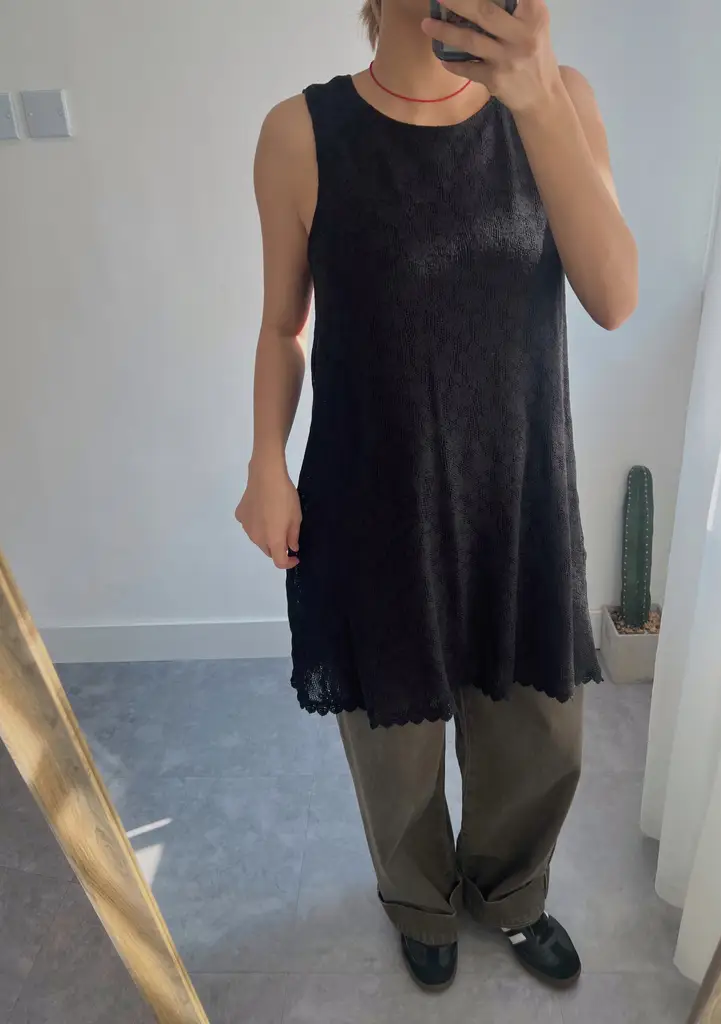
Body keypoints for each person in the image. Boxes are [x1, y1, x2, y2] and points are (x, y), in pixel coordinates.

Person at [236, 0, 638, 994]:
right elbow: (284, 323)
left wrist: (537, 100)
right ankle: (420, 901)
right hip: (374, 497)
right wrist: (264, 462)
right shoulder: (301, 133)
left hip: (518, 495)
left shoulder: (560, 101)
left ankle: (511, 892)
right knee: (396, 745)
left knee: (538, 729)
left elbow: (614, 295)